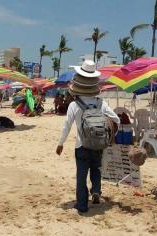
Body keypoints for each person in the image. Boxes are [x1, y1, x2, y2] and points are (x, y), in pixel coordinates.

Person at [56, 60, 120, 213]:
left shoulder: (74, 105)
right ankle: (96, 190)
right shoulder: (101, 103)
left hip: (81, 146)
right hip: (99, 144)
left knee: (81, 175)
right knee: (96, 169)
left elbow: (66, 126)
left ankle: (82, 205)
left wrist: (60, 144)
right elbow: (116, 120)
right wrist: (110, 136)